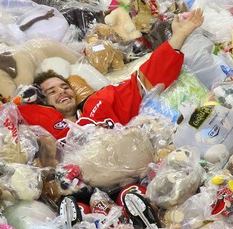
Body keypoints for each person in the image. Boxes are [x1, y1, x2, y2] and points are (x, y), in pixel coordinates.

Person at [17, 9, 204, 141]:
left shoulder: (98, 103)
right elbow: (5, 114)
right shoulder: (45, 128)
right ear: (41, 100)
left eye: (65, 87)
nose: (62, 92)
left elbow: (142, 81)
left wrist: (179, 36)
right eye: (51, 91)